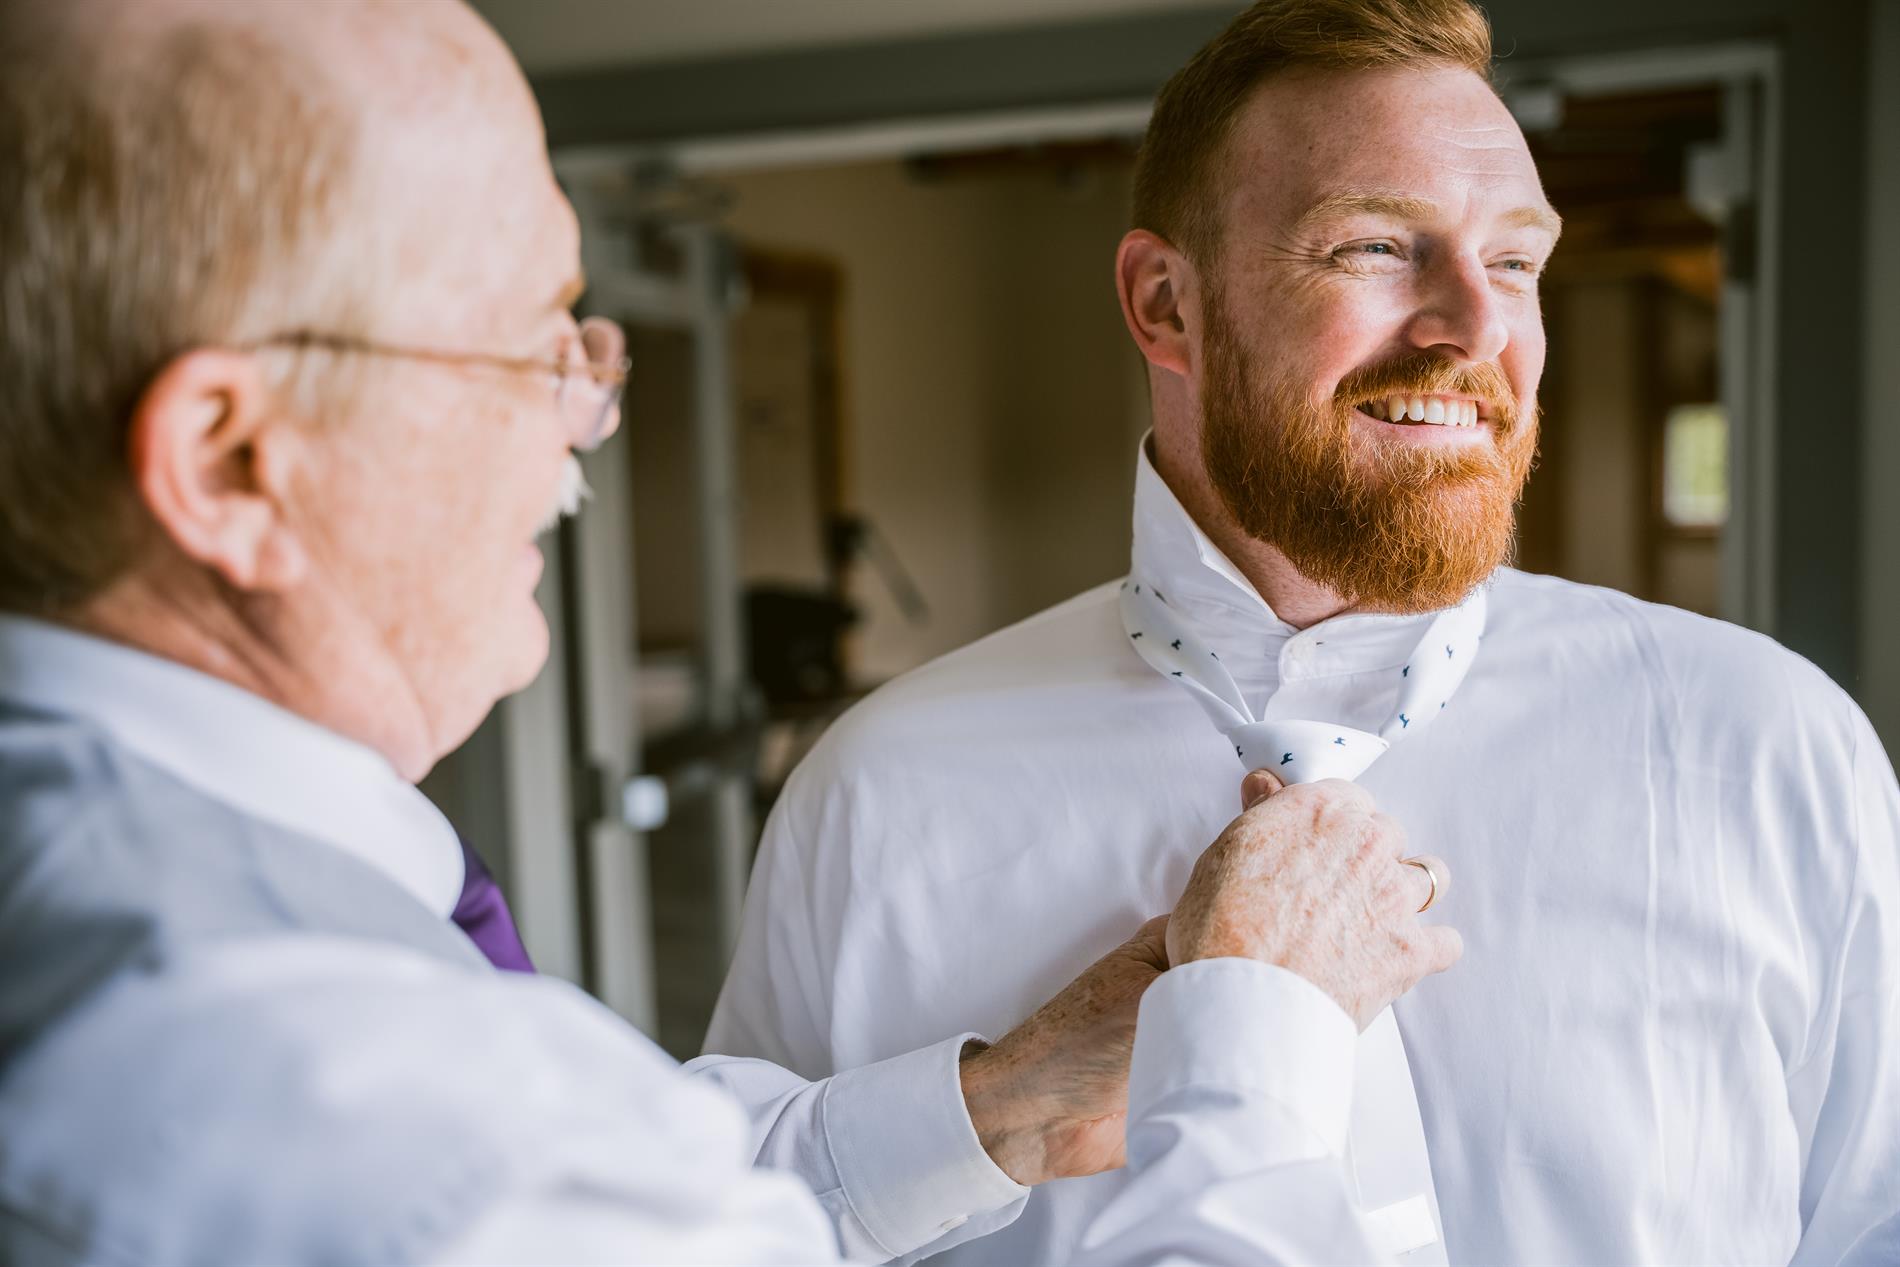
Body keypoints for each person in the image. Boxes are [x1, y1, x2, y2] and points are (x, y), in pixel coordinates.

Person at [0, 1, 1462, 1262]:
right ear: (233, 462)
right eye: (526, 346)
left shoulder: (151, 894)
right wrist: (1261, 1031)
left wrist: (1002, 1100)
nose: (587, 416)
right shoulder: (305, 1088)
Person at [704, 1, 1900, 1264]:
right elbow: (708, 1226)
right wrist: (994, 1101)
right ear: (1165, 303)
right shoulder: (878, 792)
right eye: (1374, 246)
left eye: (1513, 262)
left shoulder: (1765, 746)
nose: (1478, 330)